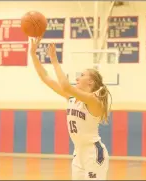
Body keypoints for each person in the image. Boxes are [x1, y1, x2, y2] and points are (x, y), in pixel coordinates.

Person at [30, 37, 112, 180]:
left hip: (93, 154)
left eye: (82, 75)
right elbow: (45, 77)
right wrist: (33, 55)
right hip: (78, 153)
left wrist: (54, 60)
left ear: (91, 82)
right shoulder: (72, 99)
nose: (78, 78)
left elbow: (65, 86)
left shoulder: (94, 101)